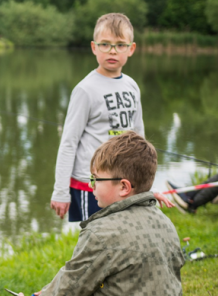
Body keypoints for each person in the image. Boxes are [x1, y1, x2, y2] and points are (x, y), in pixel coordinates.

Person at [0, 132, 187, 296]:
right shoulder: (164, 221)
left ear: (123, 187)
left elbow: (67, 292)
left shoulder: (102, 231)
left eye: (95, 180)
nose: (91, 187)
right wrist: (49, 290)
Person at [50, 13, 172, 223]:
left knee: (124, 234)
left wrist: (145, 189)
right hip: (92, 185)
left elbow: (139, 140)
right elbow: (68, 143)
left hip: (125, 183)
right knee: (97, 239)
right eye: (105, 44)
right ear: (93, 47)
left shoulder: (132, 86)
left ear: (131, 49)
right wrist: (60, 191)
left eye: (120, 45)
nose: (112, 51)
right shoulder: (85, 90)